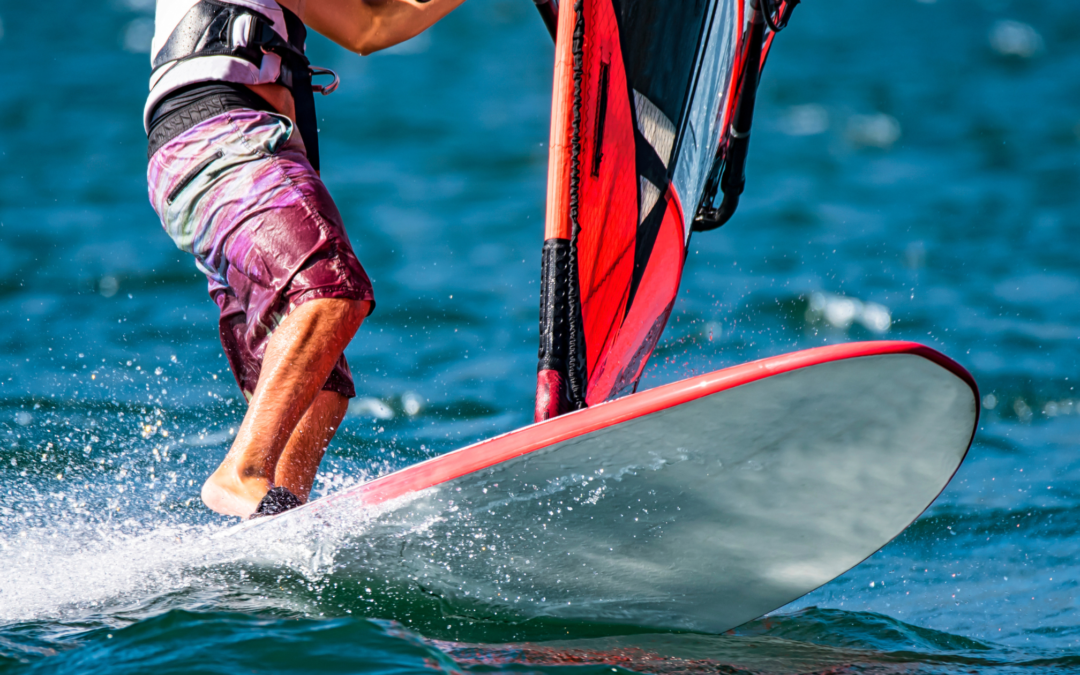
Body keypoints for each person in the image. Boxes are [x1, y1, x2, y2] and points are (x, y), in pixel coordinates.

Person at [145, 0, 465, 518]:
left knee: (321, 389)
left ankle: (275, 518)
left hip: (197, 160)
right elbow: (372, 22)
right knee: (331, 294)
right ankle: (241, 473)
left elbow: (370, 22)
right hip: (224, 138)